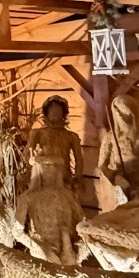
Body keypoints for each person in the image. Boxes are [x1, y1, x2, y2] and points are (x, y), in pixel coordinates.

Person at [16, 95, 85, 264]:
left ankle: (69, 249)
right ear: (46, 113)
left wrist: (77, 177)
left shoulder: (71, 136)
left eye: (58, 111)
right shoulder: (37, 133)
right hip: (40, 176)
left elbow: (79, 159)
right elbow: (28, 155)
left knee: (66, 216)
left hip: (64, 179)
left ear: (64, 114)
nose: (55, 114)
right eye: (52, 111)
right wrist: (37, 163)